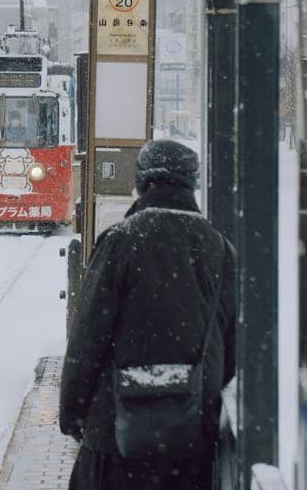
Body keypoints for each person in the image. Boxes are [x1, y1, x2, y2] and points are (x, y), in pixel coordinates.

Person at [60, 139, 235, 490]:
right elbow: (230, 349)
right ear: (192, 182)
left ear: (142, 182)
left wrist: (73, 412)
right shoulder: (220, 248)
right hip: (189, 440)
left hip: (116, 436)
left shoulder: (122, 240)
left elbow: (88, 337)